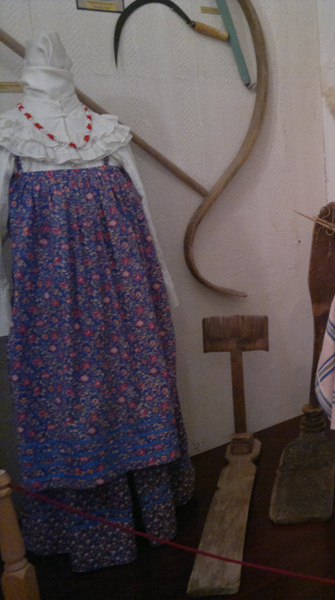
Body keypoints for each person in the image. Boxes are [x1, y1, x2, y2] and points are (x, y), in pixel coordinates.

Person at [0, 32, 194, 571]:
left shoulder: (107, 134)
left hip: (129, 294)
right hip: (51, 307)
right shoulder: (12, 136)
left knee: (140, 393)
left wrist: (163, 285)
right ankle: (88, 537)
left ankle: (155, 516)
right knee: (71, 410)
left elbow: (143, 215)